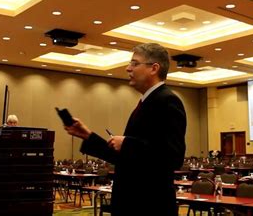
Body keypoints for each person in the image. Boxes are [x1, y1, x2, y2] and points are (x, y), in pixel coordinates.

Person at [63, 43, 186, 216]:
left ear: (154, 68)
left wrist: (127, 143)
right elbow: (127, 157)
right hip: (131, 202)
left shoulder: (168, 101)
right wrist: (88, 136)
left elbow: (173, 156)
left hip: (149, 205)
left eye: (135, 63)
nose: (128, 68)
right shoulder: (146, 102)